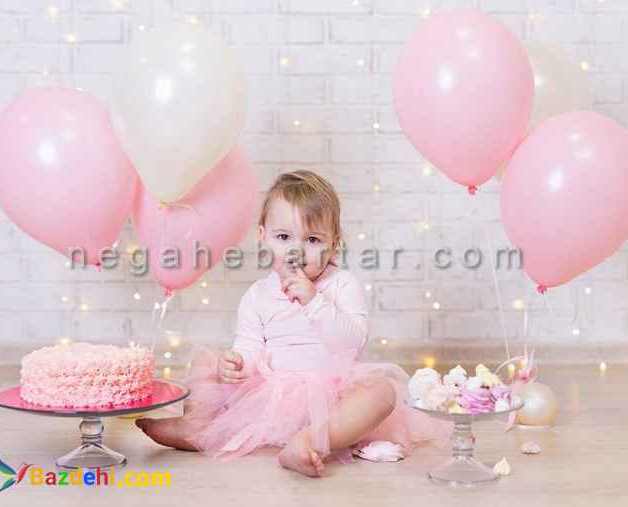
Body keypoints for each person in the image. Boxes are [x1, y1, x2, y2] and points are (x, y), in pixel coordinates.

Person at [136, 170, 453, 477]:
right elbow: (249, 345)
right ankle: (194, 429)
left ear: (334, 244)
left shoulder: (341, 285)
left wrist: (316, 302)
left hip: (332, 399)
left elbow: (353, 342)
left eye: (313, 239)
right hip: (271, 395)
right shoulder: (258, 295)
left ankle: (310, 441)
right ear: (263, 237)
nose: (297, 250)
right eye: (284, 237)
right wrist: (236, 363)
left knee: (382, 393)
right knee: (204, 367)